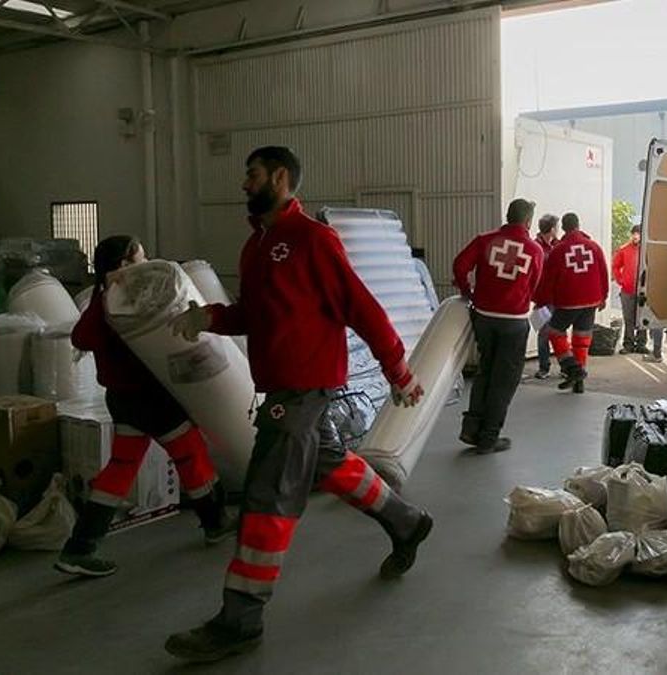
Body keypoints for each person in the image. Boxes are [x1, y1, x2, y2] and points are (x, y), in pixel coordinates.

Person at [165, 146, 432, 662]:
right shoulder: (258, 245)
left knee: (268, 494)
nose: (244, 183)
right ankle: (407, 522)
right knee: (328, 465)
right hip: (286, 388)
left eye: (253, 174)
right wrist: (209, 319)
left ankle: (240, 620)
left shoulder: (312, 239)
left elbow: (362, 307)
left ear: (280, 177)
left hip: (303, 391)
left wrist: (398, 371)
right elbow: (258, 315)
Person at [55, 236, 236, 578]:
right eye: (141, 258)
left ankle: (79, 548)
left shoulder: (117, 302)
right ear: (122, 266)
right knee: (191, 454)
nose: (148, 262)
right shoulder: (115, 303)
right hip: (148, 399)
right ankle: (216, 523)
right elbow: (81, 339)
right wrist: (110, 290)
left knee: (121, 468)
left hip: (126, 401)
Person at [452, 199, 545, 454]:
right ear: (528, 222)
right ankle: (489, 438)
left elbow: (460, 265)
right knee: (504, 380)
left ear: (507, 215)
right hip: (513, 323)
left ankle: (471, 429)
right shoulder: (534, 249)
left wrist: (466, 290)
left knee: (485, 371)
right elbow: (536, 286)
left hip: (484, 318)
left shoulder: (485, 240)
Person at [534, 212, 609, 394]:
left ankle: (573, 369)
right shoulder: (594, 247)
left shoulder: (558, 250)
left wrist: (540, 300)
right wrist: (603, 297)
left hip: (568, 301)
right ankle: (578, 382)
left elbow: (548, 280)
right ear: (578, 225)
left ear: (564, 228)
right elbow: (604, 274)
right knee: (581, 340)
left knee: (554, 331)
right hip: (591, 301)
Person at [612, 223, 647, 354]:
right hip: (627, 291)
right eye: (634, 234)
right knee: (628, 318)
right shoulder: (624, 249)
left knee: (643, 317)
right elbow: (615, 266)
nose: (635, 236)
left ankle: (641, 344)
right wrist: (621, 280)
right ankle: (628, 344)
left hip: (643, 290)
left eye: (638, 234)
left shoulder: (647, 250)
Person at [533, 214, 559, 378]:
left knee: (559, 333)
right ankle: (544, 367)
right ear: (551, 229)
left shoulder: (558, 245)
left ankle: (565, 367)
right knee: (543, 333)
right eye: (556, 227)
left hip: (558, 297)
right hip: (543, 298)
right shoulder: (536, 247)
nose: (558, 230)